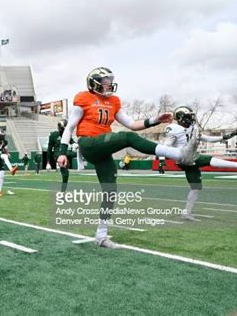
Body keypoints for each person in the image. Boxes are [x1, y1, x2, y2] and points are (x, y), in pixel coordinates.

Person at [57, 67, 198, 249]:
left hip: (103, 148)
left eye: (110, 80)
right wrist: (62, 151)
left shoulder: (114, 101)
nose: (109, 84)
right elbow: (69, 127)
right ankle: (178, 154)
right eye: (105, 81)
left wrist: (156, 119)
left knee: (110, 191)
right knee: (126, 138)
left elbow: (132, 124)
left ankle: (101, 235)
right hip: (89, 143)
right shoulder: (83, 97)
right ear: (94, 82)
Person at [165, 106, 237, 220]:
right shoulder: (173, 129)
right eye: (188, 116)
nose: (191, 118)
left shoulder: (193, 129)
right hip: (184, 159)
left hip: (192, 160)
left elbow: (207, 139)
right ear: (180, 117)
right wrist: (162, 161)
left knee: (196, 188)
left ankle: (186, 213)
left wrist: (226, 136)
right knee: (210, 160)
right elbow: (166, 146)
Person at [48, 119, 77, 192]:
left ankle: (62, 193)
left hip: (65, 154)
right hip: (57, 155)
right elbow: (49, 149)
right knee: (72, 153)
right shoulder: (54, 135)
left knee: (65, 175)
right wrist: (48, 162)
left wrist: (75, 144)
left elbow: (72, 141)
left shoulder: (67, 134)